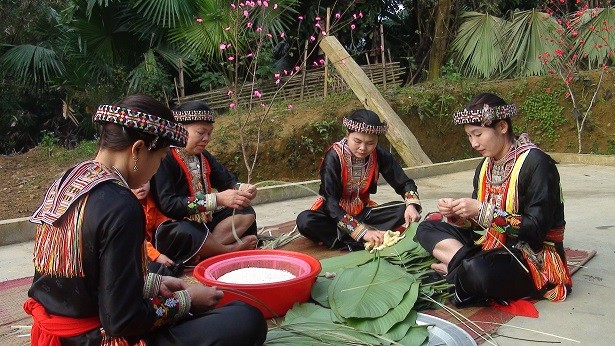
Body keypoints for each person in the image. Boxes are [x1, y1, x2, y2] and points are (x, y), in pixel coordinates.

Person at [25, 94, 267, 345]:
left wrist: (153, 282)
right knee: (246, 319)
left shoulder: (68, 180)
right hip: (96, 336)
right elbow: (122, 321)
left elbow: (88, 277)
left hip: (62, 326)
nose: (158, 167)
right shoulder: (122, 205)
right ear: (138, 149)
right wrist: (186, 300)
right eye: (161, 158)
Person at [415, 92, 572, 307]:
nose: (473, 143)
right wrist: (457, 214)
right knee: (426, 228)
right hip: (494, 244)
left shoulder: (538, 164)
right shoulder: (485, 166)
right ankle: (460, 268)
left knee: (478, 271)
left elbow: (536, 230)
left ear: (502, 127)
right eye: (469, 136)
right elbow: (479, 226)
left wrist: (482, 211)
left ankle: (458, 267)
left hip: (532, 255)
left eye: (478, 134)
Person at [296, 109, 422, 251]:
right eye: (357, 141)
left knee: (402, 210)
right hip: (334, 216)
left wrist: (411, 206)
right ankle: (363, 239)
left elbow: (404, 183)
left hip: (363, 212)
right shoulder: (334, 156)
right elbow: (330, 203)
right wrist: (363, 232)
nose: (363, 148)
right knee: (305, 220)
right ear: (347, 135)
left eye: (370, 143)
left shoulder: (379, 154)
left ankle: (353, 239)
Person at [151, 100, 258, 265]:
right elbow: (168, 205)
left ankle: (207, 250)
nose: (206, 138)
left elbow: (226, 181)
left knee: (245, 211)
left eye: (209, 133)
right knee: (188, 231)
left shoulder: (203, 156)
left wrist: (242, 188)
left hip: (205, 223)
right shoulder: (165, 157)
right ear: (180, 129)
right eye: (201, 132)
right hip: (177, 226)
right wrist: (216, 200)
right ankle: (227, 250)